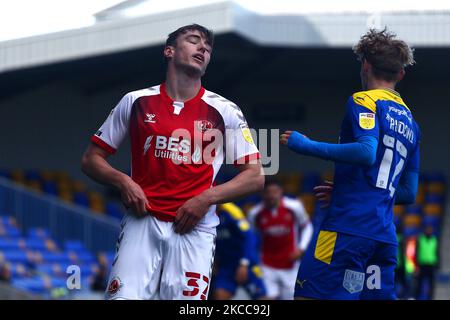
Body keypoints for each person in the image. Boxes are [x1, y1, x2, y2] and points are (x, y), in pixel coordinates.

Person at [81, 24, 264, 300]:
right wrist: (123, 181)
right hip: (142, 222)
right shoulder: (136, 101)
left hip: (196, 228)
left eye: (208, 47)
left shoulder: (225, 110)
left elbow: (255, 176)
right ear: (169, 51)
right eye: (193, 41)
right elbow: (91, 159)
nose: (203, 48)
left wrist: (205, 199)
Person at [280, 28, 420, 300]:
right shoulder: (412, 123)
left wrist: (305, 145)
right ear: (400, 74)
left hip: (347, 228)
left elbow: (367, 153)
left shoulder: (363, 100)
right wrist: (350, 189)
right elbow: (408, 192)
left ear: (365, 65)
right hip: (384, 237)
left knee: (309, 295)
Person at [248, 178, 313, 300]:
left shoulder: (294, 207)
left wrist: (301, 248)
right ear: (263, 193)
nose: (272, 195)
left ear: (281, 192)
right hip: (267, 265)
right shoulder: (255, 213)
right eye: (268, 192)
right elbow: (251, 237)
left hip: (290, 264)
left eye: (275, 191)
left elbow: (307, 227)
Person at [211, 202, 267, 300]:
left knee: (261, 297)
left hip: (246, 263)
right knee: (219, 295)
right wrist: (214, 260)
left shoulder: (231, 211)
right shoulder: (206, 213)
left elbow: (250, 237)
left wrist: (244, 263)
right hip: (226, 266)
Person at [415, 225, 439, 300]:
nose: (429, 231)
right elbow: (416, 252)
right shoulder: (420, 239)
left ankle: (431, 297)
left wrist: (437, 264)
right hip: (422, 264)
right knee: (420, 282)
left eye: (430, 230)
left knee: (431, 283)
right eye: (427, 230)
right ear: (425, 230)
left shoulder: (434, 240)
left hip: (431, 264)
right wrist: (416, 264)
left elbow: (437, 252)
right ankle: (417, 296)